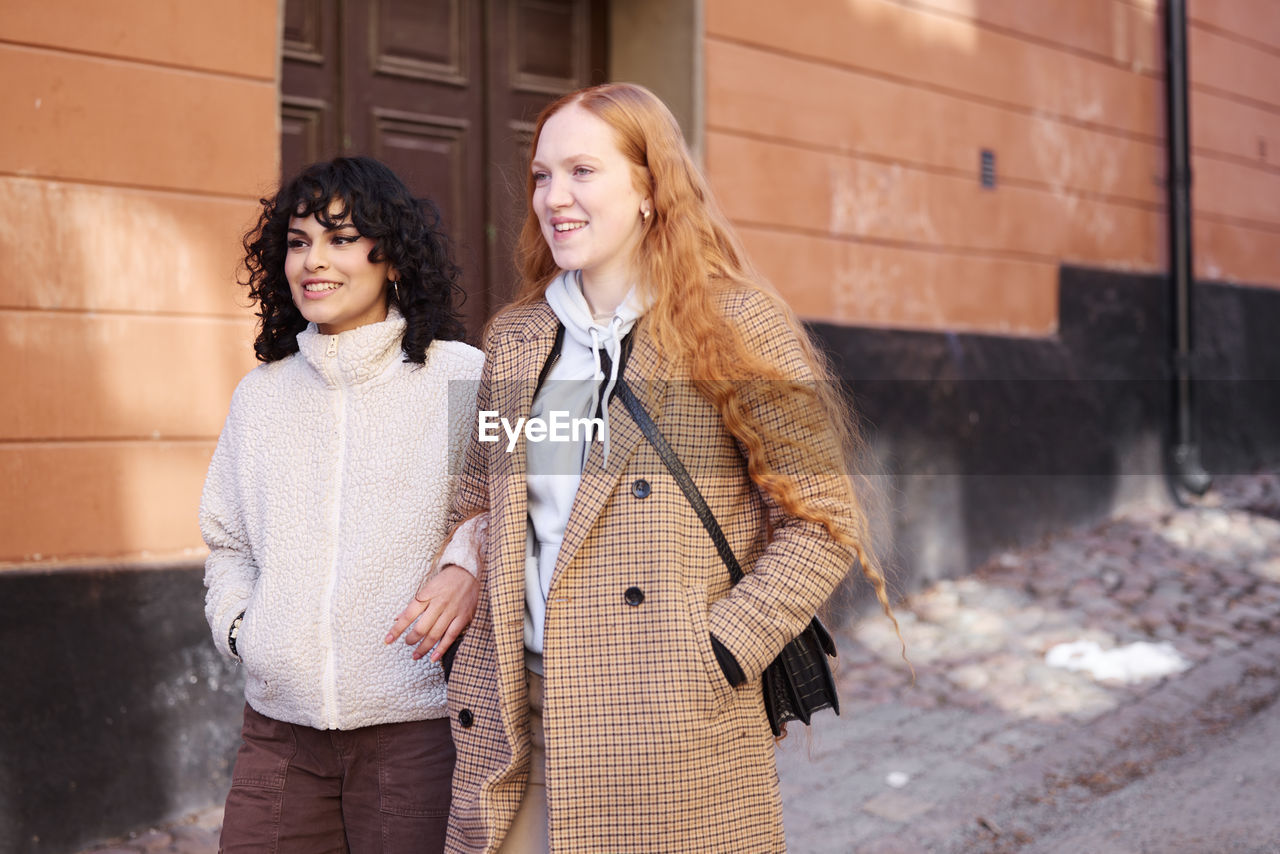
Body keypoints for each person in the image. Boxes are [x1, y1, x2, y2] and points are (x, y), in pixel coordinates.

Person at [411, 83, 902, 853]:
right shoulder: (516, 335)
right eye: (542, 175)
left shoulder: (735, 322)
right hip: (517, 713)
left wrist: (711, 655)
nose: (554, 197)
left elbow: (822, 521)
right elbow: (480, 489)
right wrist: (460, 564)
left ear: (648, 188)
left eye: (583, 172)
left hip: (665, 721)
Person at [200, 156, 484, 853]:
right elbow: (229, 541)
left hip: (417, 732)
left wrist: (465, 566)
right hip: (279, 735)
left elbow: (529, 508)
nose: (312, 262)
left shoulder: (466, 377)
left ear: (392, 258)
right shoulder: (259, 398)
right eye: (298, 242)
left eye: (340, 238)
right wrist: (243, 631)